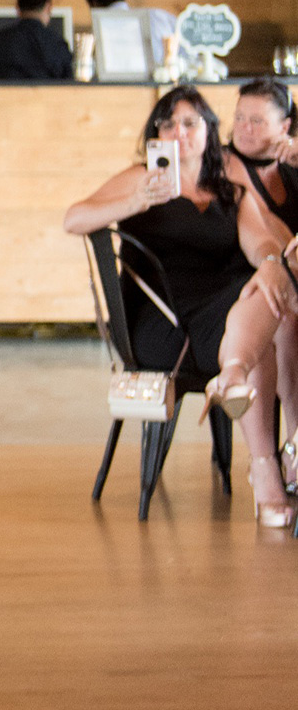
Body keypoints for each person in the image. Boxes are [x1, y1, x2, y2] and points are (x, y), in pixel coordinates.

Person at [63, 84, 298, 526]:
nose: (179, 132)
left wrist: (269, 262)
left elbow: (261, 240)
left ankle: (235, 384)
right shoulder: (141, 179)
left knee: (268, 290)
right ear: (155, 134)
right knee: (264, 316)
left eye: (190, 123)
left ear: (210, 131)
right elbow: (73, 218)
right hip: (162, 324)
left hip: (223, 314)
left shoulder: (227, 187)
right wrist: (138, 200)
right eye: (167, 123)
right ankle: (273, 461)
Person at [226, 77, 298, 485]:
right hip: (249, 286)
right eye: (239, 118)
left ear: (285, 126)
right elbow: (271, 237)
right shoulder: (227, 165)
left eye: (256, 120)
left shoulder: (291, 166)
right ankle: (289, 449)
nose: (243, 128)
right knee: (285, 313)